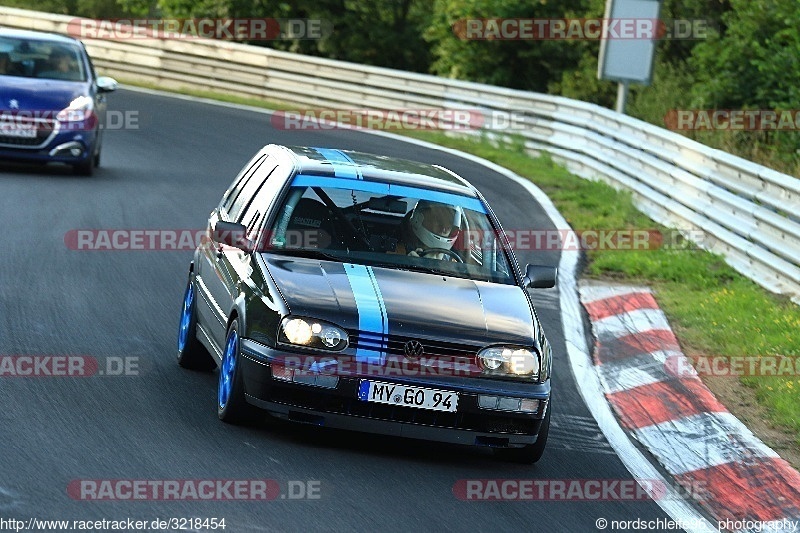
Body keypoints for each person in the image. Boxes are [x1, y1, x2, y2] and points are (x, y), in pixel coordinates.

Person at [396, 199, 463, 261]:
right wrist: (407, 264)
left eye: (449, 223)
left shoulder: (452, 261)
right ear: (418, 219)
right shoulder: (397, 253)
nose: (444, 228)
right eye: (439, 221)